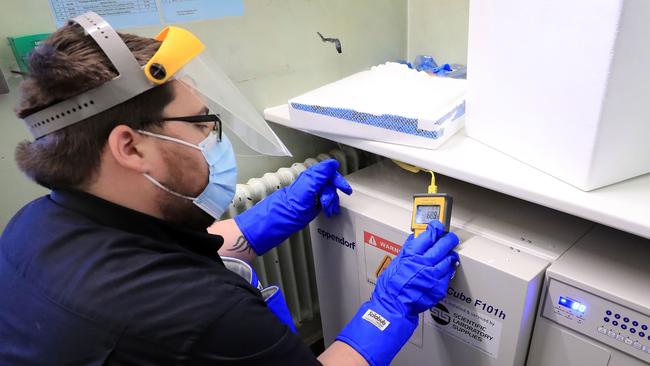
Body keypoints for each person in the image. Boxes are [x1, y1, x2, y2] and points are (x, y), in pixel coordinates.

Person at [0, 12, 459, 366]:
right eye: (202, 124)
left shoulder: (34, 224)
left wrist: (275, 213)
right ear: (130, 147)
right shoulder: (203, 316)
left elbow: (162, 257)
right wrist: (390, 307)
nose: (215, 140)